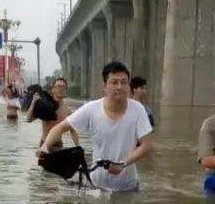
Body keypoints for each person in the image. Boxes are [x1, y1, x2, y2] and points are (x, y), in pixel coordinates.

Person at [40, 61, 153, 192]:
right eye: (114, 82)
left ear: (128, 86)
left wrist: (123, 164)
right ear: (105, 86)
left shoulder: (138, 109)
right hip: (98, 187)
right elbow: (60, 127)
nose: (119, 87)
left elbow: (146, 145)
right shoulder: (92, 109)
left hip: (128, 187)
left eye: (124, 82)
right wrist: (45, 146)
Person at [27, 77, 79, 153]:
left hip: (58, 146)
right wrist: (33, 103)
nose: (60, 89)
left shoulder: (68, 111)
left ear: (66, 90)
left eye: (63, 87)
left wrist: (78, 147)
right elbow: (29, 119)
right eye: (58, 86)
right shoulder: (46, 106)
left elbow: (73, 131)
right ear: (53, 89)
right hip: (44, 145)